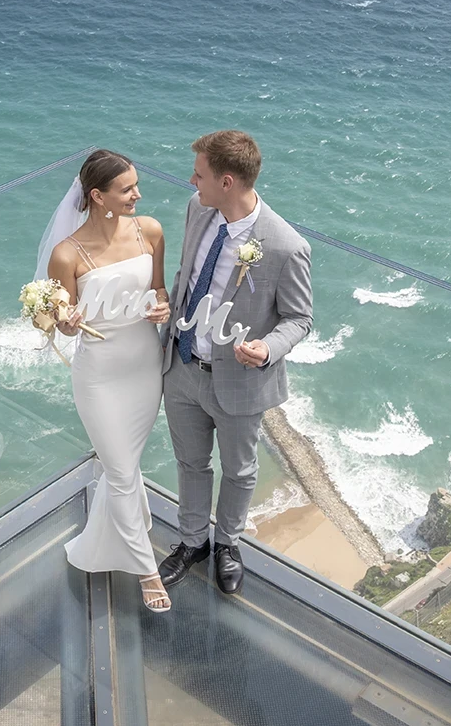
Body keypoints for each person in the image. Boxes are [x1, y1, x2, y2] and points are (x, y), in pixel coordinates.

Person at [158, 131, 313, 595]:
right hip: (182, 367)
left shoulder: (286, 247)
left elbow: (300, 318)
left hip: (239, 381)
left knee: (241, 471)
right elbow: (186, 277)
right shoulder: (198, 209)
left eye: (200, 174)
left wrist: (268, 348)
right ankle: (192, 543)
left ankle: (227, 542)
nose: (192, 181)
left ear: (227, 181)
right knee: (190, 463)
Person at [41, 149, 174, 612]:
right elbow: (57, 317)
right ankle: (147, 572)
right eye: (127, 188)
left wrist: (164, 305)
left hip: (144, 366)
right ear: (98, 196)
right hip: (98, 376)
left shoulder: (150, 230)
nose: (138, 194)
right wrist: (67, 322)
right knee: (120, 472)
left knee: (125, 470)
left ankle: (102, 542)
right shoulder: (66, 254)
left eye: (136, 185)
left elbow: (159, 292)